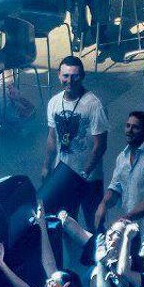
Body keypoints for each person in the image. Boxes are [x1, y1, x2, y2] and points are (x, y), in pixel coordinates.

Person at [39, 56, 109, 231]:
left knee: (95, 224)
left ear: (82, 76)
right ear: (59, 75)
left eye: (74, 76)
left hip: (89, 179)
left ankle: (98, 249)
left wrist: (84, 173)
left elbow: (100, 145)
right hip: (64, 174)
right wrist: (47, 166)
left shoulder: (94, 105)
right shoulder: (54, 103)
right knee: (67, 223)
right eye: (65, 76)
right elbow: (52, 137)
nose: (69, 81)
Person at [94, 111, 144, 238]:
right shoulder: (122, 157)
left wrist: (125, 219)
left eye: (135, 127)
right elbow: (115, 188)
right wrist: (103, 204)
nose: (129, 130)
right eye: (128, 126)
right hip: (132, 229)